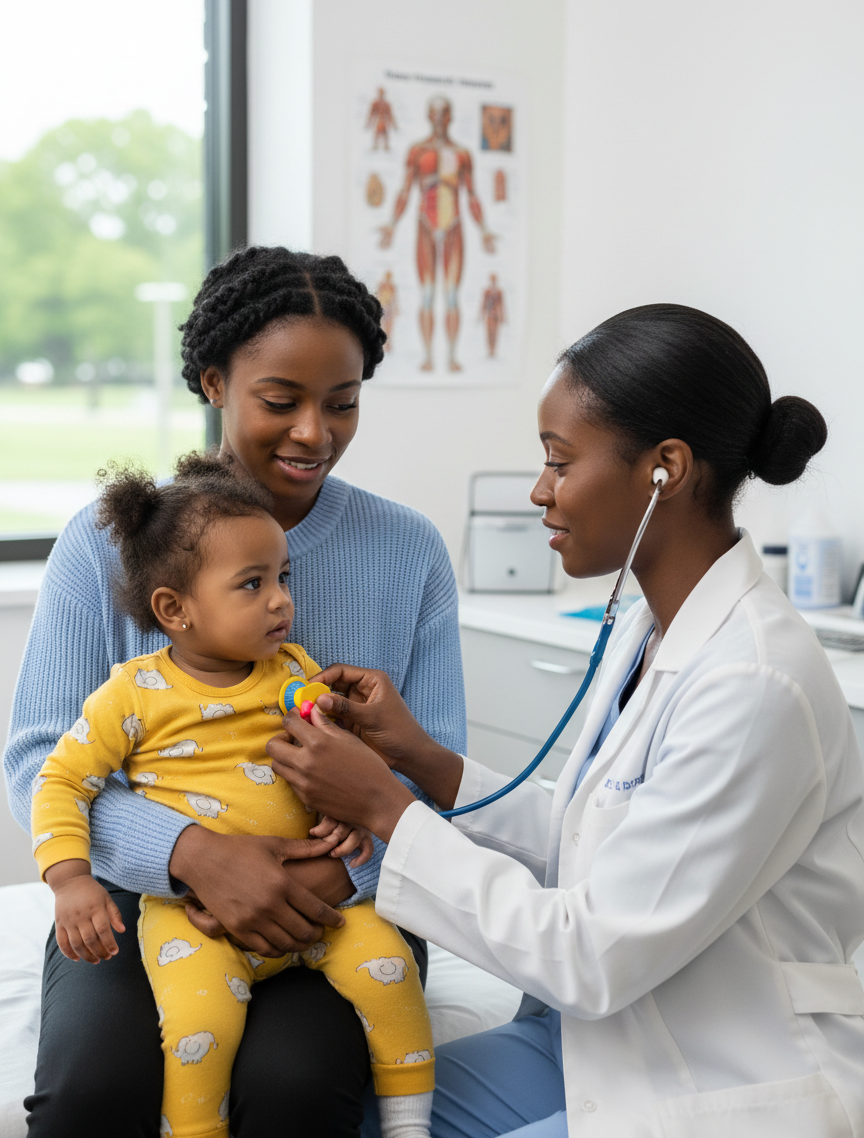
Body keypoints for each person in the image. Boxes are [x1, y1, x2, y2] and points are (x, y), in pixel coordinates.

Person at [267, 304, 864, 1137]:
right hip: (598, 1040)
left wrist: (385, 809)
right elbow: (596, 841)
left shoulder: (755, 682)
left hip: (721, 1070)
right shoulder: (644, 627)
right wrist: (425, 761)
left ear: (666, 469)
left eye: (559, 462)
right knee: (349, 1116)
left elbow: (589, 954)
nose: (540, 491)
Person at [4, 245, 466, 1138]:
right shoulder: (107, 544)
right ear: (214, 382)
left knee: (294, 1091)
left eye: (343, 403)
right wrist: (191, 853)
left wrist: (336, 871)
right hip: (150, 900)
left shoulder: (407, 552)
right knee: (91, 1098)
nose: (314, 433)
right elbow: (39, 759)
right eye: (281, 401)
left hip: (344, 900)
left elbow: (428, 764)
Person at [31, 453, 436, 1138]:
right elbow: (58, 776)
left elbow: (357, 760)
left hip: (325, 900)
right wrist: (71, 879)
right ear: (174, 610)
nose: (281, 600)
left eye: (284, 577)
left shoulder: (296, 671)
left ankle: (410, 1123)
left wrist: (350, 815)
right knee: (196, 1031)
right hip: (190, 915)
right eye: (253, 585)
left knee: (388, 975)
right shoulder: (131, 694)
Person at [379, 95, 496, 373]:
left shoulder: (462, 154)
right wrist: (392, 225)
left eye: (445, 113)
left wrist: (484, 231)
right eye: (435, 113)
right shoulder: (418, 152)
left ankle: (452, 356)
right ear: (429, 116)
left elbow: (472, 195)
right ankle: (429, 356)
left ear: (451, 117)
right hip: (425, 226)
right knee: (428, 295)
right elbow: (405, 191)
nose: (440, 118)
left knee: (452, 295)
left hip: (454, 226)